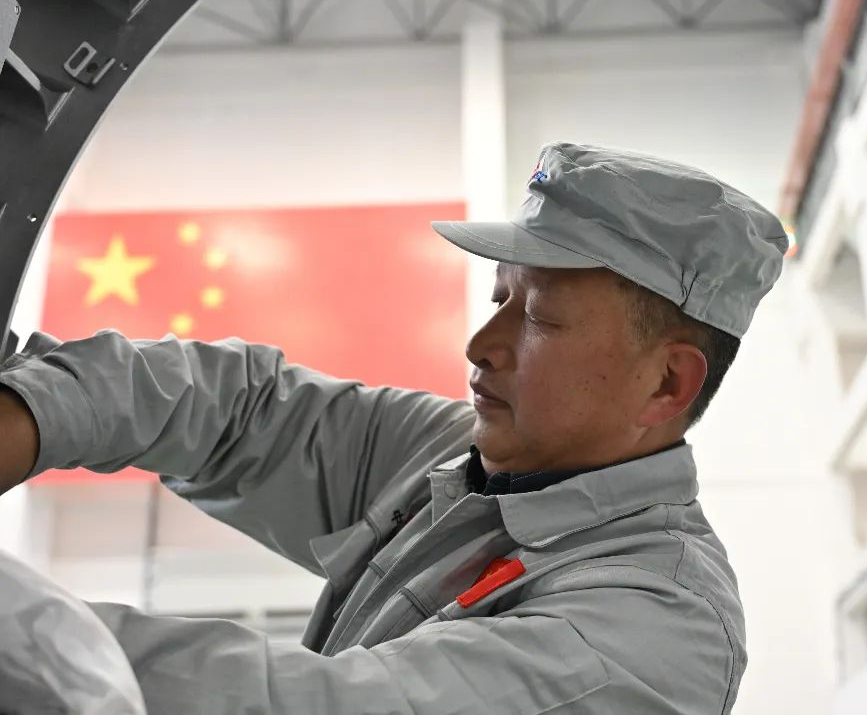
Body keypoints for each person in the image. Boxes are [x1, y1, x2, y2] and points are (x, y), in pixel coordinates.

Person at [0, 142, 787, 714]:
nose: (481, 345)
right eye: (500, 299)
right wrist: (34, 410)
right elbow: (244, 410)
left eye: (541, 317)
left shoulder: (655, 626)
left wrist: (27, 635)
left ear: (666, 382)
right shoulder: (460, 461)